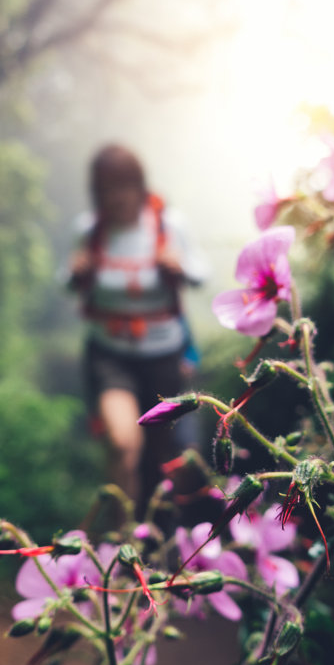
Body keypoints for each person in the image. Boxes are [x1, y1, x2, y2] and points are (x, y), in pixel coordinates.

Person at [67, 143, 207, 517]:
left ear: (139, 185)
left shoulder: (168, 225)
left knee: (160, 457)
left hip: (163, 356)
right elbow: (69, 279)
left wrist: (177, 267)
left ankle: (153, 537)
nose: (115, 198)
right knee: (122, 443)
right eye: (105, 190)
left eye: (122, 187)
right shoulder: (90, 230)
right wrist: (76, 271)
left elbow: (199, 272)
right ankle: (119, 541)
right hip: (110, 356)